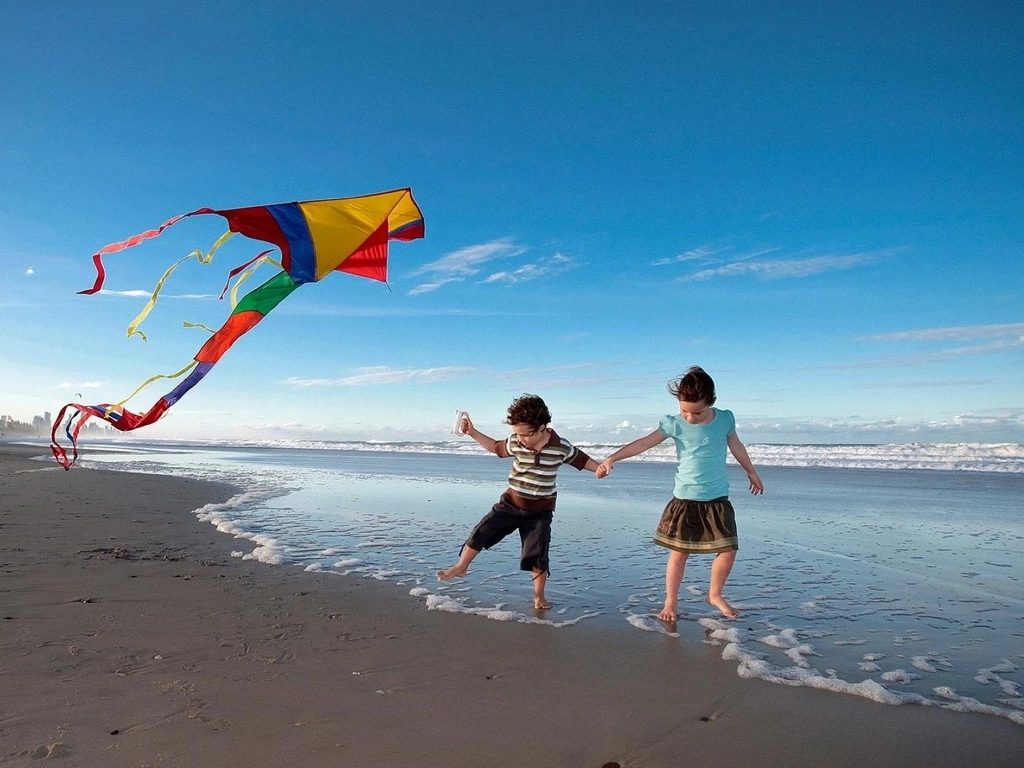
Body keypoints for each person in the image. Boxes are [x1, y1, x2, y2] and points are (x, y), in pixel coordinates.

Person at [596, 366, 763, 622]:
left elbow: (737, 446)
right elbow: (643, 443)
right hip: (685, 499)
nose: (689, 417)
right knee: (679, 553)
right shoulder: (674, 424)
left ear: (711, 402)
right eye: (684, 410)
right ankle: (671, 601)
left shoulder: (725, 419)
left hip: (717, 498)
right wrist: (612, 457)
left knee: (728, 549)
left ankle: (714, 594)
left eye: (696, 411)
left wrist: (751, 472)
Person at [437, 394, 599, 610]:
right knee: (481, 531)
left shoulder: (560, 447)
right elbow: (496, 447)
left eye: (525, 434)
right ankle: (460, 567)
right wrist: (472, 432)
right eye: (516, 434)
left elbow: (582, 460)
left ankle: (539, 596)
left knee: (538, 555)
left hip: (540, 512)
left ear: (542, 427)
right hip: (510, 504)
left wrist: (599, 468)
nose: (520, 439)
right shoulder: (515, 442)